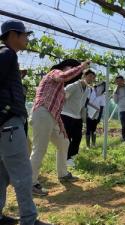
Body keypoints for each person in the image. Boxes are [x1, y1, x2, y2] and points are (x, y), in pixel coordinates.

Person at [0, 20, 50, 225]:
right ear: (13, 35)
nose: (27, 39)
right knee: (22, 174)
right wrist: (5, 112)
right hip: (9, 124)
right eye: (25, 35)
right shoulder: (6, 54)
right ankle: (29, 220)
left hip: (6, 126)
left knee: (2, 173)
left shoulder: (5, 55)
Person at [30, 59, 90, 196]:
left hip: (51, 117)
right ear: (64, 67)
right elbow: (63, 76)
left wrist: (61, 127)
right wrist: (81, 67)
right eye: (71, 68)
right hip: (42, 113)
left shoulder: (61, 90)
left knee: (64, 142)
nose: (73, 72)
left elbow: (57, 111)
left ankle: (63, 174)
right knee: (39, 149)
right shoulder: (54, 72)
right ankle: (30, 183)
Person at [61, 68, 96, 167]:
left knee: (78, 137)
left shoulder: (88, 89)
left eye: (93, 78)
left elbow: (83, 104)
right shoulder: (74, 86)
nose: (91, 79)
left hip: (77, 116)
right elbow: (63, 96)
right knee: (67, 138)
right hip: (66, 114)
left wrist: (82, 117)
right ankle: (66, 158)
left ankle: (72, 155)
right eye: (89, 76)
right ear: (83, 76)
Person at [86, 81, 106, 148]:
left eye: (103, 87)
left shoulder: (103, 96)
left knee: (94, 129)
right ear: (98, 85)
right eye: (101, 86)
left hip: (96, 114)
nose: (101, 88)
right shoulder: (91, 91)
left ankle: (93, 144)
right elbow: (86, 101)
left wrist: (99, 117)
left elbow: (102, 107)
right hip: (88, 113)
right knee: (88, 128)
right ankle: (88, 146)